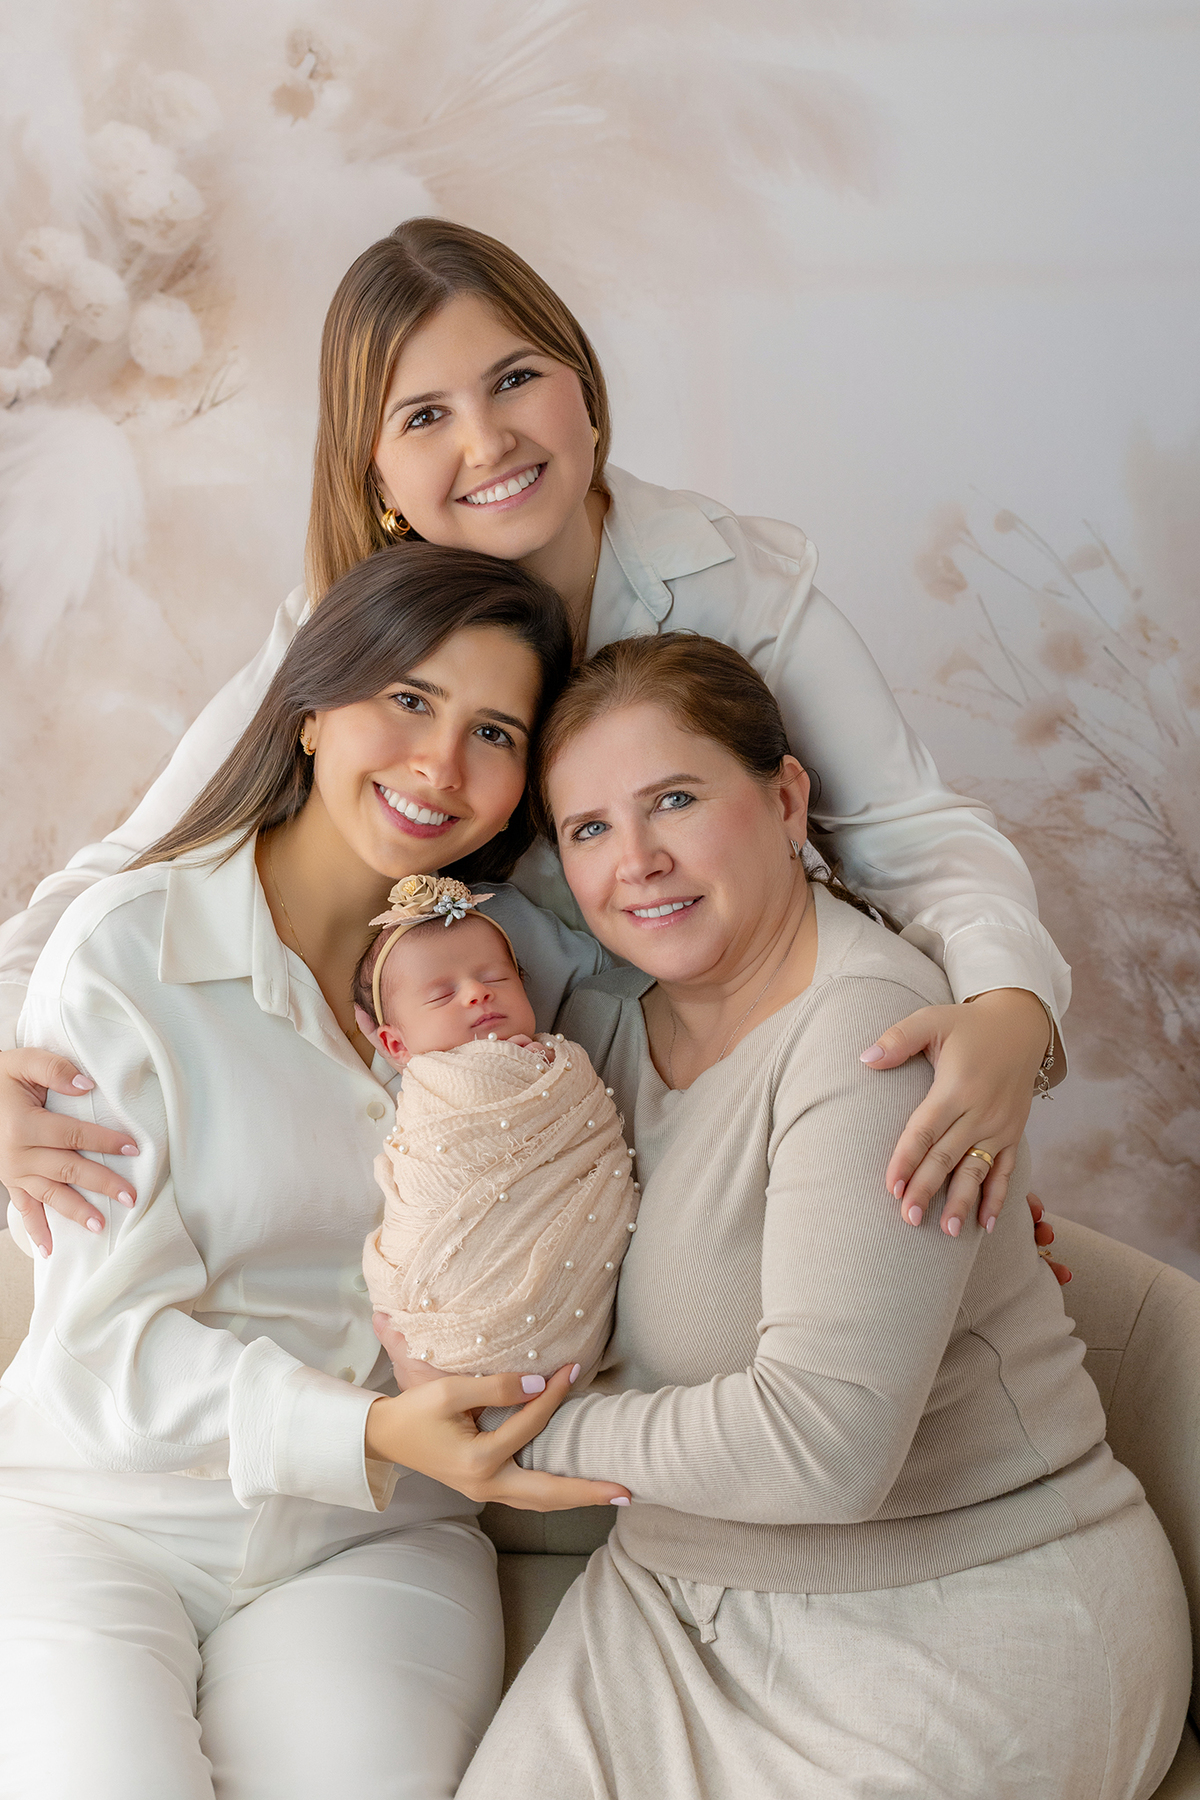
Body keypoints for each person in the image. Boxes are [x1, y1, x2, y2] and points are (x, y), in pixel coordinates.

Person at [0, 217, 1067, 1263]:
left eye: (515, 379)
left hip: (732, 1086)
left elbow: (916, 839)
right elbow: (132, 869)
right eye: (424, 415)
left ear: (585, 396)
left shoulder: (730, 581)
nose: (486, 440)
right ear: (375, 479)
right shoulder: (343, 642)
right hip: (503, 1149)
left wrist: (1010, 1014)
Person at [448, 633, 1191, 1799]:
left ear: (785, 796)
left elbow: (825, 1449)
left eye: (675, 800)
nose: (635, 861)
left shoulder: (874, 1034)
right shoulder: (591, 1034)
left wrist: (523, 1439)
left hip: (964, 1611)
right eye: (589, 829)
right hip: (670, 1611)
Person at [0, 546, 630, 1800]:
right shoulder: (132, 952)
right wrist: (367, 1428)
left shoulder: (537, 981)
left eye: (492, 730)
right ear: (308, 710)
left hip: (373, 1538)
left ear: (521, 788)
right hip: (94, 1514)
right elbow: (106, 1346)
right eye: (407, 700)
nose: (440, 765)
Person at [355, 873, 637, 1382]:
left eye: (498, 978)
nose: (477, 995)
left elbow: (589, 1142)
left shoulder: (563, 1064)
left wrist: (547, 1071)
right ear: (396, 1047)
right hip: (444, 1294)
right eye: (442, 996)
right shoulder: (436, 1089)